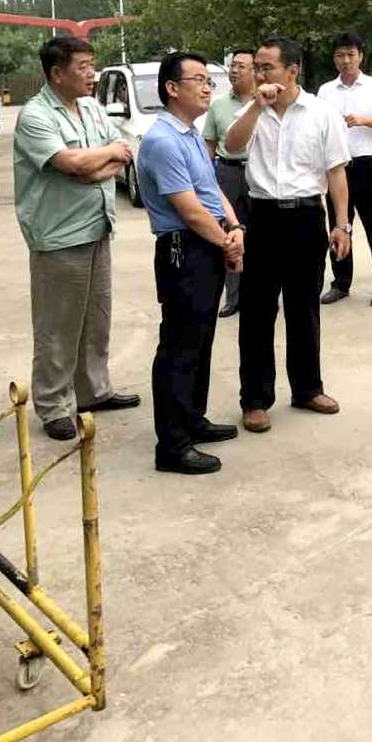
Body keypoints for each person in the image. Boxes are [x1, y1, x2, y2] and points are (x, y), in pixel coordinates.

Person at [13, 37, 140, 441]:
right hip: (58, 235)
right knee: (58, 325)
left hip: (97, 226)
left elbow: (122, 153)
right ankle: (53, 406)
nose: (92, 74)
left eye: (92, 64)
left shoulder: (91, 108)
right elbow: (68, 161)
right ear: (57, 73)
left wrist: (92, 169)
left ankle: (91, 391)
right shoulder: (36, 115)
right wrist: (95, 161)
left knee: (95, 318)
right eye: (83, 66)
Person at [223, 35, 352, 433]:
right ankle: (255, 399)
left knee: (304, 308)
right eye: (257, 68)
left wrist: (341, 224)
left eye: (267, 68)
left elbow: (336, 171)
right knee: (257, 312)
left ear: (292, 71)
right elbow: (231, 146)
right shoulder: (252, 111)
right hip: (262, 217)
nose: (259, 75)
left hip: (306, 217)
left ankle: (308, 388)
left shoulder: (322, 113)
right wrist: (256, 107)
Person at [137, 51, 243, 474]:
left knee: (200, 340)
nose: (206, 87)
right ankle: (172, 444)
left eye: (208, 81)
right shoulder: (162, 140)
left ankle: (192, 419)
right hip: (184, 248)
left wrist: (235, 226)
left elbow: (211, 190)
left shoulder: (191, 135)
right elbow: (189, 209)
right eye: (197, 80)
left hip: (208, 244)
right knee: (179, 347)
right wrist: (226, 242)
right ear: (171, 88)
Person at [317, 31, 372, 307]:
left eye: (351, 54)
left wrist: (363, 120)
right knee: (339, 225)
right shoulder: (326, 91)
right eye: (340, 55)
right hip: (335, 167)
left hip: (365, 164)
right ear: (334, 59)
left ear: (360, 56)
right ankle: (341, 283)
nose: (346, 60)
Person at [203, 48, 256, 318]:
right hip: (228, 172)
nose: (234, 70)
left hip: (258, 173)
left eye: (241, 66)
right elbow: (209, 147)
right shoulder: (218, 105)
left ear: (255, 71)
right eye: (233, 65)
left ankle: (260, 292)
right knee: (230, 234)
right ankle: (233, 298)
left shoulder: (266, 102)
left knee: (260, 234)